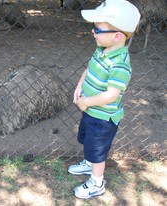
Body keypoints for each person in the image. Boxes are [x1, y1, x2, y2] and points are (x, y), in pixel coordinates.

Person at [68, 0, 140, 199]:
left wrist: (86, 102)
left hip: (103, 118)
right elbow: (88, 69)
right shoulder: (102, 50)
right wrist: (79, 86)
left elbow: (111, 95)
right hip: (91, 112)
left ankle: (96, 182)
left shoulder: (120, 64)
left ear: (117, 36)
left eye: (97, 29)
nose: (93, 32)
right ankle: (88, 164)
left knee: (97, 151)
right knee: (88, 142)